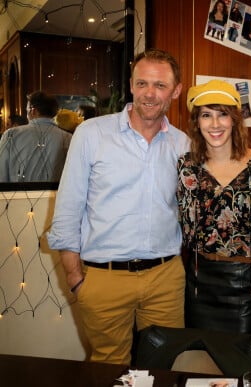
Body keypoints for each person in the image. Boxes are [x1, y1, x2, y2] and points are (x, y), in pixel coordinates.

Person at [47, 48, 190, 365]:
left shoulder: (184, 145)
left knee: (164, 364)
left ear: (176, 91)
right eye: (142, 84)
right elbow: (68, 209)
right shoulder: (91, 134)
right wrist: (75, 277)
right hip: (104, 278)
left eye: (160, 85)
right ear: (131, 85)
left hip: (166, 278)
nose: (149, 94)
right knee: (109, 368)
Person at [177, 79, 251, 335]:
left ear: (235, 120)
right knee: (200, 362)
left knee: (242, 362)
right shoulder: (186, 167)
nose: (214, 124)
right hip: (199, 283)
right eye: (206, 115)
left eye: (222, 115)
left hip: (246, 285)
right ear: (197, 122)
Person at [0, 91, 72, 182]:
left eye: (26, 111)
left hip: (17, 195)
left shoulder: (11, 134)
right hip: (55, 195)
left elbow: (1, 173)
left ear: (33, 111)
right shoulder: (68, 138)